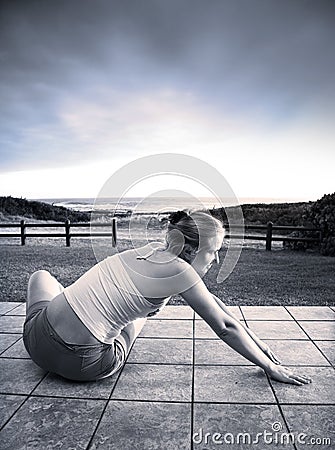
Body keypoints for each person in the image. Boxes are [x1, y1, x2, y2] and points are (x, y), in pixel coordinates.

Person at [23, 210, 312, 385]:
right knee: (139, 320)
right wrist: (269, 366)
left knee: (41, 277)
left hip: (36, 342)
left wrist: (262, 347)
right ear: (188, 251)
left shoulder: (151, 249)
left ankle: (65, 301)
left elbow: (219, 308)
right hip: (84, 364)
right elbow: (224, 327)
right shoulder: (180, 273)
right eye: (213, 251)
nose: (217, 258)